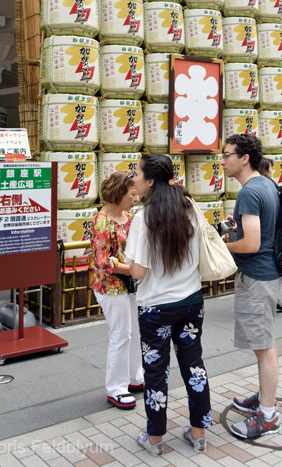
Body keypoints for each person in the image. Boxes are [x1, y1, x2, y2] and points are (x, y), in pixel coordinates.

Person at [126, 155, 211, 456]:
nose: (132, 178)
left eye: (136, 173)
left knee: (155, 372)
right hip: (191, 302)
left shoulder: (143, 217)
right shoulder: (190, 208)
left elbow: (138, 272)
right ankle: (199, 434)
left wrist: (120, 266)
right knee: (193, 365)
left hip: (155, 309)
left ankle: (155, 439)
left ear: (150, 181)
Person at [222, 133, 281, 440]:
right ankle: (264, 399)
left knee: (264, 348)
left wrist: (223, 245)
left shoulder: (249, 192)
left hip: (257, 277)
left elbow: (252, 243)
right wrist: (238, 229)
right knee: (265, 344)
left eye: (227, 154)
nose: (223, 161)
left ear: (244, 158)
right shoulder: (267, 184)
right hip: (268, 275)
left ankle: (268, 416)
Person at [88, 171, 143, 411]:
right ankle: (116, 388)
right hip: (110, 286)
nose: (136, 198)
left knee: (135, 332)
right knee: (121, 334)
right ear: (119, 193)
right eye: (132, 194)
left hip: (129, 283)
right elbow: (103, 262)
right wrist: (132, 270)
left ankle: (135, 377)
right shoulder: (101, 221)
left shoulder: (128, 217)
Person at [258, 158, 282, 314]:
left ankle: (273, 299)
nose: (272, 172)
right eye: (270, 169)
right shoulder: (269, 188)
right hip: (273, 238)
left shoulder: (266, 187)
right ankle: (273, 300)